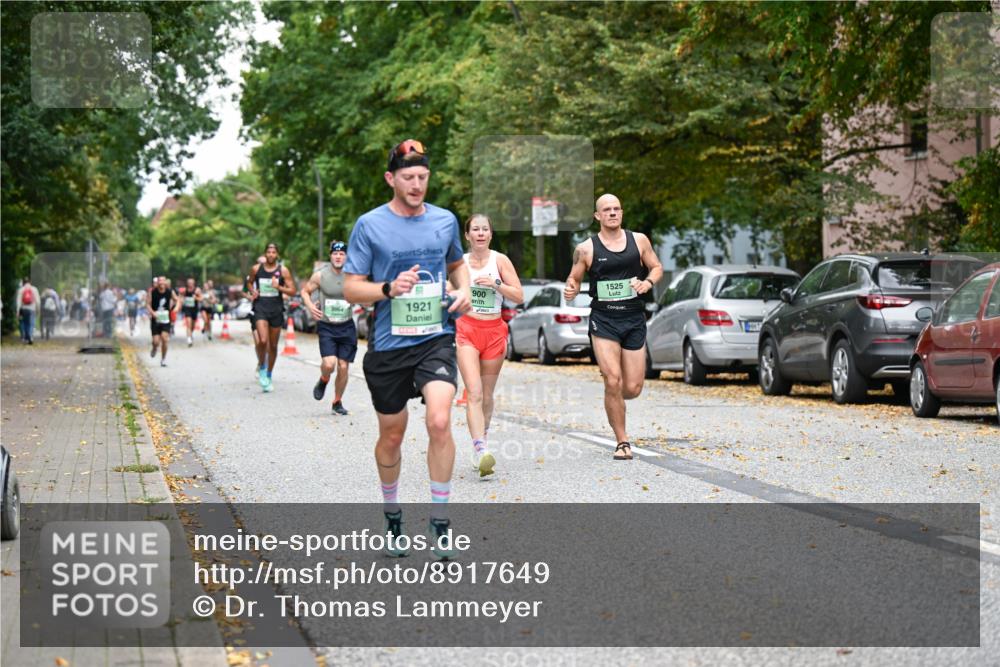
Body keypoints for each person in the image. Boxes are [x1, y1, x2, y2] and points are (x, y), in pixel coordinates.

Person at [343, 138, 471, 558]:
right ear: (390, 179)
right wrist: (386, 288)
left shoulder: (445, 220)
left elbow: (456, 265)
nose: (417, 185)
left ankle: (439, 521)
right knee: (392, 435)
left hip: (435, 337)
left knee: (438, 420)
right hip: (387, 344)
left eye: (423, 177)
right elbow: (350, 287)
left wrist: (465, 290)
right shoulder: (369, 225)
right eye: (408, 178)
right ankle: (392, 512)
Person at [564, 194, 663, 461]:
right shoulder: (585, 249)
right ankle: (622, 441)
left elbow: (656, 267)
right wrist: (571, 289)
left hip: (633, 318)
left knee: (632, 388)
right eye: (607, 210)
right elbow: (573, 278)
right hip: (604, 319)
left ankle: (614, 398)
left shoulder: (639, 240)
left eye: (617, 208)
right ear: (597, 216)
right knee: (613, 379)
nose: (613, 213)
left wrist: (648, 284)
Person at [455, 214, 523, 478]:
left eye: (485, 229)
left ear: (491, 235)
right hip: (467, 330)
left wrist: (496, 283)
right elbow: (447, 292)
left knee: (486, 394)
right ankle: (481, 448)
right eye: (476, 229)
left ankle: (481, 437)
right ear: (467, 235)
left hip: (494, 332)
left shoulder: (500, 261)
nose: (481, 233)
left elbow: (518, 295)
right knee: (473, 392)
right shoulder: (459, 263)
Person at [301, 240, 358, 415]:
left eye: (342, 254)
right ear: (330, 256)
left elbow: (362, 293)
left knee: (343, 366)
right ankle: (324, 379)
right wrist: (310, 307)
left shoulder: (352, 275)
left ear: (346, 257)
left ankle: (337, 401)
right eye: (335, 253)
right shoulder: (320, 275)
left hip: (347, 326)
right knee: (329, 363)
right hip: (327, 326)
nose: (338, 257)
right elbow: (305, 291)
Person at [247, 244, 296, 392]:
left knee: (273, 346)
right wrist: (253, 291)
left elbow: (293, 290)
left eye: (273, 252)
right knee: (262, 340)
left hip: (276, 309)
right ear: (265, 254)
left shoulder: (283, 270)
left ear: (277, 255)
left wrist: (279, 288)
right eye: (268, 252)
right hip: (260, 308)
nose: (271, 254)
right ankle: (262, 365)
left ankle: (268, 374)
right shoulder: (256, 269)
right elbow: (249, 282)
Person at [245, 255, 267, 377]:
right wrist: (250, 296)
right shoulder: (251, 277)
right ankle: (261, 363)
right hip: (255, 311)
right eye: (260, 263)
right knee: (259, 341)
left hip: (270, 311)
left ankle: (264, 365)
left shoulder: (274, 276)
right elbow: (244, 290)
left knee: (266, 343)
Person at [148, 276, 178, 367]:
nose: (161, 283)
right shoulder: (152, 292)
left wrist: (175, 309)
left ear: (165, 282)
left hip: (166, 319)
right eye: (159, 281)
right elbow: (148, 305)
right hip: (156, 320)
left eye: (163, 281)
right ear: (157, 282)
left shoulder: (170, 292)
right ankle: (154, 348)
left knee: (165, 339)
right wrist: (153, 313)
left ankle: (163, 359)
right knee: (156, 341)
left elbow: (177, 300)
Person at [15, 278, 41, 344]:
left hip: (23, 309)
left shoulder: (21, 290)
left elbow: (18, 301)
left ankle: (26, 337)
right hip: (32, 309)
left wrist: (18, 311)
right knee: (31, 323)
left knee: (25, 323)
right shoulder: (34, 289)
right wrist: (38, 310)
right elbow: (38, 301)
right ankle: (30, 336)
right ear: (30, 282)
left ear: (23, 282)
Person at [179, 278, 201, 347]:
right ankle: (189, 339)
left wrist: (196, 298)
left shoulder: (197, 290)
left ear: (194, 283)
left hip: (194, 310)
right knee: (188, 323)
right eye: (189, 283)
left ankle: (190, 335)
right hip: (187, 309)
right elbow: (180, 297)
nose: (190, 284)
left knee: (193, 326)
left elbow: (201, 298)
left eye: (191, 283)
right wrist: (182, 300)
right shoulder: (185, 290)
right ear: (187, 283)